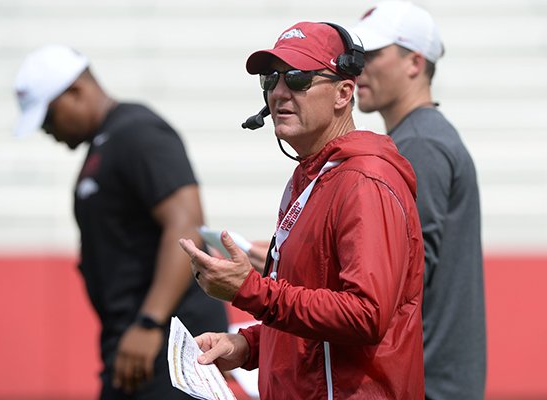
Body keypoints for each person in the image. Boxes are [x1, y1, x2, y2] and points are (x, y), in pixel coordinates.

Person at [179, 21, 426, 399]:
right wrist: (247, 347)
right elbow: (312, 316)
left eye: (297, 78)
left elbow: (365, 314)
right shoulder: (313, 176)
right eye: (270, 79)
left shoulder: (364, 181)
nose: (278, 92)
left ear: (344, 93)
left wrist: (251, 291)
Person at [13, 45, 227, 399]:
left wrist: (149, 322)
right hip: (135, 340)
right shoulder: (105, 144)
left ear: (76, 91)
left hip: (169, 340)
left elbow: (186, 224)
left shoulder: (138, 132)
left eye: (48, 117)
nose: (47, 131)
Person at [351, 2, 486, 399]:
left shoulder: (420, 144)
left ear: (414, 62)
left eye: (373, 54)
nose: (359, 67)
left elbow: (402, 279)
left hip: (426, 382)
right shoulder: (420, 137)